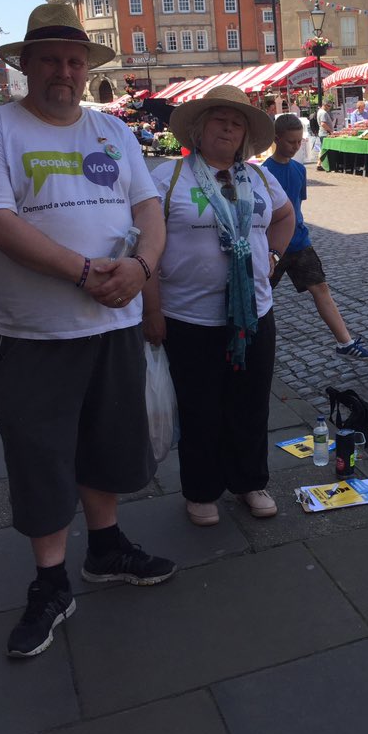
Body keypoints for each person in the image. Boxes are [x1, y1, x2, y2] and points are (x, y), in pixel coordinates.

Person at [0, 2, 175, 658]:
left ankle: (105, 547)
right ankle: (50, 581)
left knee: (108, 442)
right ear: (24, 65)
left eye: (74, 60)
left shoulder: (110, 132)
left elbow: (148, 206)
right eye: (49, 59)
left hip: (115, 322)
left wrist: (141, 267)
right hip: (37, 332)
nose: (63, 70)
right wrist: (88, 273)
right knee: (41, 455)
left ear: (87, 70)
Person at [143, 87, 296, 527]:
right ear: (199, 128)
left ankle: (250, 482)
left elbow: (285, 218)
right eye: (219, 121)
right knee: (200, 407)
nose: (228, 129)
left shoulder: (261, 178)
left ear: (245, 134)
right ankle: (202, 490)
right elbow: (146, 245)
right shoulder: (168, 178)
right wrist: (151, 310)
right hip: (190, 317)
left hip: (253, 316)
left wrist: (272, 255)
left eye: (236, 124)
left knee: (250, 404)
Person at [264, 114, 368, 359]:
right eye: (290, 142)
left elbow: (297, 205)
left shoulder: (300, 170)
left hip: (300, 242)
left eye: (298, 141)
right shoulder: (264, 173)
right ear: (276, 139)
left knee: (320, 287)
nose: (295, 146)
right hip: (272, 245)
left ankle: (345, 342)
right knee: (261, 294)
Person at [315, 98, 335, 171]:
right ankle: (321, 164)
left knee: (323, 149)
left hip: (323, 133)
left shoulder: (320, 111)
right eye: (329, 106)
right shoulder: (323, 113)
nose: (330, 108)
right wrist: (330, 131)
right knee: (324, 149)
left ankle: (319, 163)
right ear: (325, 105)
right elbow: (323, 124)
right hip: (325, 133)